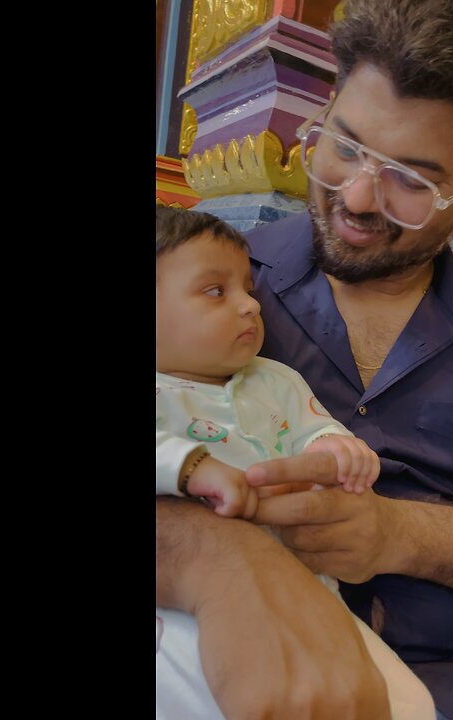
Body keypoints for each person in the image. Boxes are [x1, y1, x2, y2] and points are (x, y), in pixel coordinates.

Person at [157, 0, 453, 718]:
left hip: (440, 679)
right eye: (345, 145)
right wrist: (210, 555)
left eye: (413, 178)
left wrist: (391, 533)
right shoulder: (207, 287)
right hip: (207, 644)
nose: (357, 196)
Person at [153, 206, 434, 719]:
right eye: (216, 291)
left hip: (308, 587)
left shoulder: (275, 380)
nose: (248, 307)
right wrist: (189, 465)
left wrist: (337, 449)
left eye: (248, 290)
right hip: (177, 601)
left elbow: (314, 429)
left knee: (407, 702)